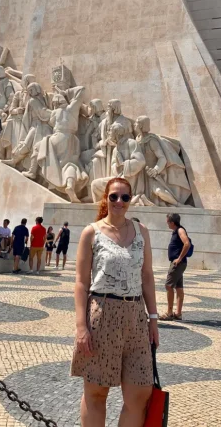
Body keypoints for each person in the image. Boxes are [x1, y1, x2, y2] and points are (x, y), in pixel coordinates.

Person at [71, 178, 158, 427]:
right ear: (105, 199)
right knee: (97, 392)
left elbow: (148, 277)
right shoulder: (92, 232)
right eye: (114, 197)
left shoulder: (142, 232)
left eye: (125, 197)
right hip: (103, 313)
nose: (119, 202)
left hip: (135, 315)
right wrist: (81, 327)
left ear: (131, 200)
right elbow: (81, 283)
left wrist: (153, 318)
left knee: (140, 392)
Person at [162, 213, 191, 320]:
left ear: (172, 222)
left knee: (168, 286)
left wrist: (179, 258)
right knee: (179, 287)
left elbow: (186, 243)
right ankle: (178, 313)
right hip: (179, 263)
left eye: (168, 222)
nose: (167, 224)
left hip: (177, 263)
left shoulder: (180, 230)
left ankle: (169, 313)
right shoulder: (177, 231)